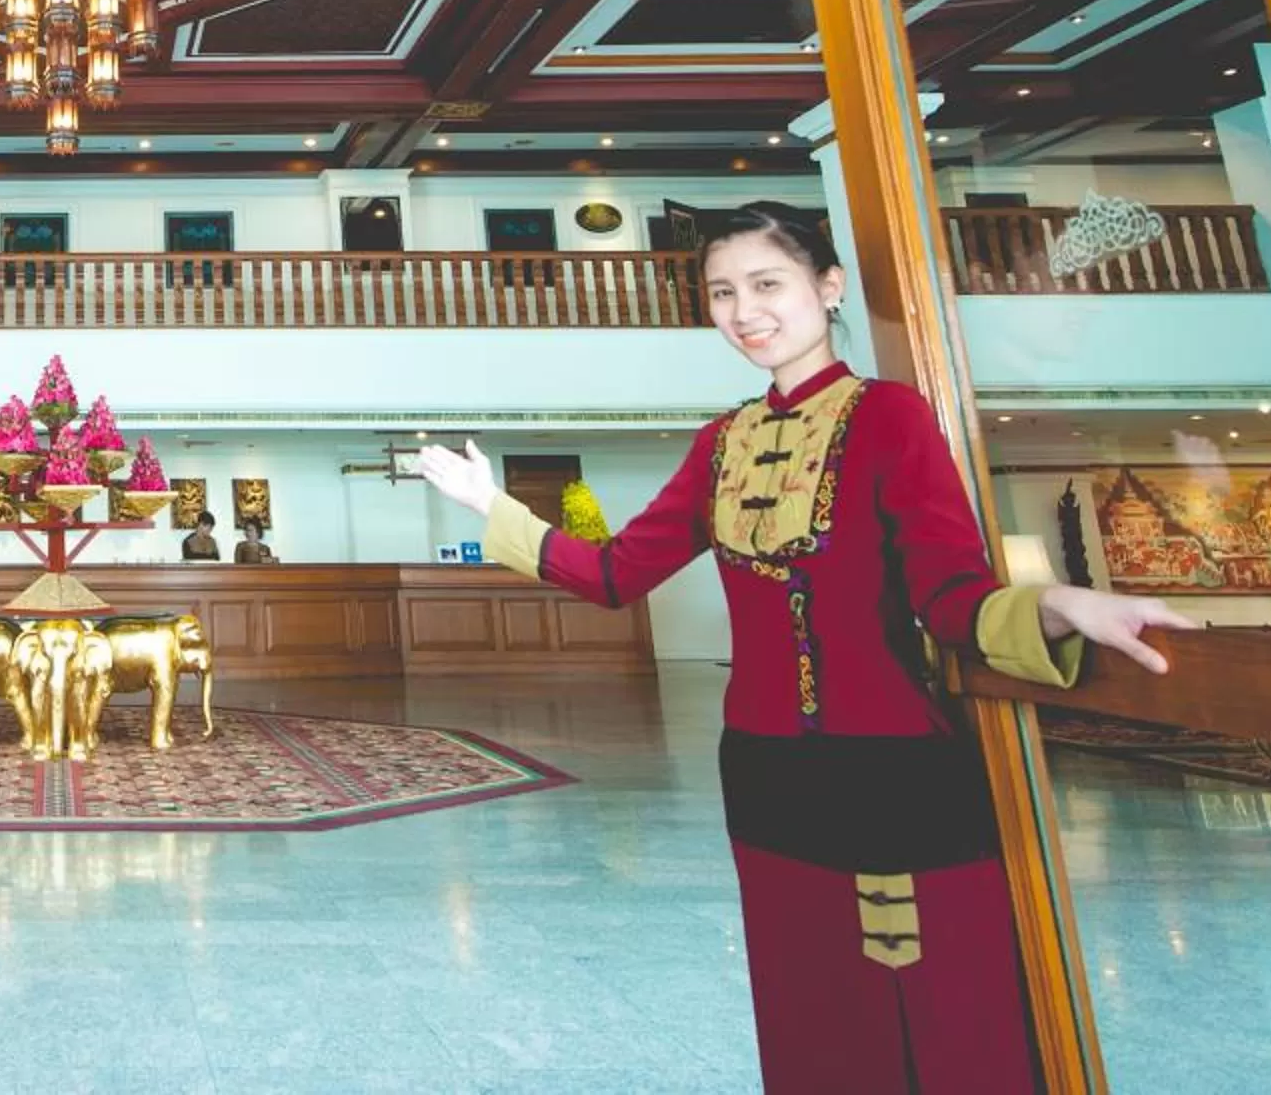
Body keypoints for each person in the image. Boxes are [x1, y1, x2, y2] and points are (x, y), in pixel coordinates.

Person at [417, 202, 1192, 1095]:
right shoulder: (720, 445)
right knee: (808, 1005)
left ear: (826, 289)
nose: (743, 311)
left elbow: (951, 598)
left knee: (939, 1007)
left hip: (896, 766)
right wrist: (492, 506)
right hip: (763, 769)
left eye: (765, 285)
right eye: (721, 293)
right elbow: (615, 574)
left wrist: (1058, 604)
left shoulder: (889, 419)